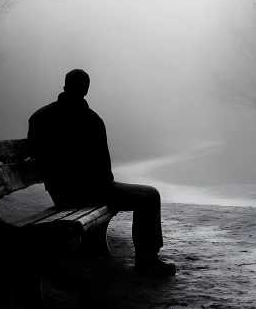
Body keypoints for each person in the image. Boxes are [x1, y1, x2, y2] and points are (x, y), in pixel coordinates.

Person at [27, 68, 176, 276]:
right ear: (86, 90)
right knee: (150, 195)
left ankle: (99, 249)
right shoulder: (91, 120)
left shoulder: (41, 116)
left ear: (64, 86)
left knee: (136, 194)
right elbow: (105, 171)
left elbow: (34, 153)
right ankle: (147, 261)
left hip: (60, 192)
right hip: (87, 193)